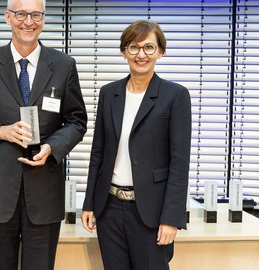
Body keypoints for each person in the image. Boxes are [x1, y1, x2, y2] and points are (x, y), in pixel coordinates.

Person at [0, 0, 87, 269]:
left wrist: (52, 147)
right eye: (21, 14)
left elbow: (76, 121)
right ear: (8, 17)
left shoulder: (63, 65)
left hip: (45, 192)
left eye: (36, 14)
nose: (29, 21)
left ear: (44, 18)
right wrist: (0, 131)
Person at [81, 20, 191, 270]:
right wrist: (89, 202)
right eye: (134, 47)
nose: (141, 54)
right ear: (124, 52)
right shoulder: (109, 93)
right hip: (109, 208)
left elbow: (179, 163)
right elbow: (98, 152)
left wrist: (171, 219)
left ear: (160, 52)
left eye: (149, 48)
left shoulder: (175, 96)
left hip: (151, 213)